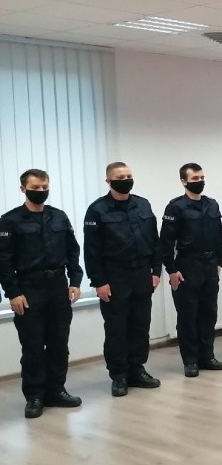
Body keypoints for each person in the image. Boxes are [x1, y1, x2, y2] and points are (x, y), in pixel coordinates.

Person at [0, 169, 83, 418]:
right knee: (34, 346)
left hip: (58, 286)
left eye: (44, 186)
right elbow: (3, 260)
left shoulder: (59, 217)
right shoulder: (10, 220)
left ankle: (56, 390)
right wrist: (13, 293)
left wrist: (75, 281)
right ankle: (35, 395)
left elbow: (72, 251)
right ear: (23, 189)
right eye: (35, 187)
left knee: (59, 343)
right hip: (29, 289)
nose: (41, 191)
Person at [84, 162, 162, 397]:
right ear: (108, 181)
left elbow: (154, 241)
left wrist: (156, 271)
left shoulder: (143, 204)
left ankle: (137, 369)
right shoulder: (97, 210)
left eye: (129, 175)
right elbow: (91, 250)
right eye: (120, 176)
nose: (126, 179)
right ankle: (119, 375)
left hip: (141, 274)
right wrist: (99, 282)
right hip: (114, 276)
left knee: (140, 325)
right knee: (117, 329)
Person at [160, 163, 222, 378]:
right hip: (187, 266)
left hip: (209, 266)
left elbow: (219, 235)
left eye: (202, 178)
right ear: (184, 181)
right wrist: (171, 269)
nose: (200, 182)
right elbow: (166, 242)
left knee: (209, 314)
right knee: (188, 316)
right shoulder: (175, 207)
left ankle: (207, 356)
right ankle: (190, 360)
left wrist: (219, 261)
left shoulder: (212, 205)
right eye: (195, 178)